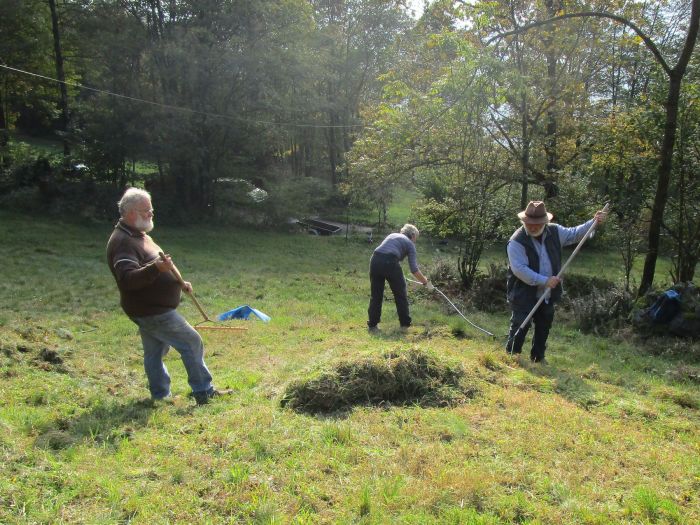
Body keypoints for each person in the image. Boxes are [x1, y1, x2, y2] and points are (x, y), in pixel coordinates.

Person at [106, 188, 228, 405]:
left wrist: (178, 282)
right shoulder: (123, 241)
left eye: (151, 209)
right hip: (152, 311)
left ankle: (160, 396)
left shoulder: (138, 235)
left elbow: (159, 266)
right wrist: (156, 269)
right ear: (131, 213)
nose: (151, 214)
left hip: (148, 309)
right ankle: (203, 391)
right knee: (191, 342)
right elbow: (127, 280)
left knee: (155, 351)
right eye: (147, 211)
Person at [506, 201, 607, 363]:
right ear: (524, 222)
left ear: (544, 222)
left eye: (536, 223)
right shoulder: (516, 241)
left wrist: (593, 222)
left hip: (548, 293)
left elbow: (575, 233)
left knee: (544, 324)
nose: (532, 227)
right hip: (523, 292)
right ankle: (512, 356)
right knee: (519, 324)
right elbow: (520, 270)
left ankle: (538, 358)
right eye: (528, 223)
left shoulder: (555, 231)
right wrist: (545, 281)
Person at [367, 223, 433, 330]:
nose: (415, 240)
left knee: (376, 295)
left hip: (375, 259)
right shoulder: (410, 244)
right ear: (412, 235)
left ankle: (373, 325)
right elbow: (414, 269)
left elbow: (387, 251)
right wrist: (426, 282)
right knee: (400, 294)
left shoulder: (392, 235)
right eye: (416, 238)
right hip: (390, 262)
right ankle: (405, 324)